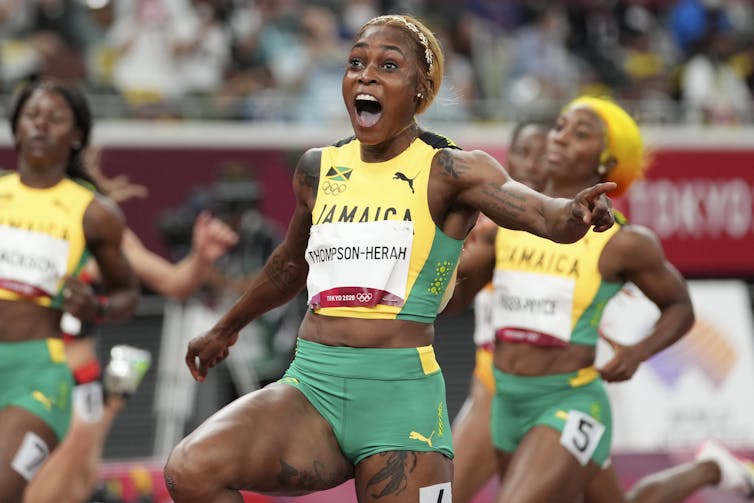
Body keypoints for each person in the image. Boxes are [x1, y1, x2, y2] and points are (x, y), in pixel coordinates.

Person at [163, 14, 617, 503]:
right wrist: (226, 327)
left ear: (421, 90)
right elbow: (289, 266)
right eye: (356, 62)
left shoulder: (451, 169)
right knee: (190, 469)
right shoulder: (319, 169)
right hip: (311, 386)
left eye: (388, 65)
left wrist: (574, 212)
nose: (367, 75)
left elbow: (541, 213)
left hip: (401, 402)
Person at [443, 95, 754, 503]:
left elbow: (680, 307)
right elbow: (450, 302)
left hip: (569, 401)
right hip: (505, 401)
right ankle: (711, 467)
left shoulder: (623, 243)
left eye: (581, 133)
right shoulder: (506, 225)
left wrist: (639, 352)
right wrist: (449, 232)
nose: (560, 138)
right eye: (560, 126)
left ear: (608, 163)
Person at [23, 157, 239, 503]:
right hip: (25, 384)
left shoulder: (100, 229)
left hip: (79, 389)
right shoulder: (14, 229)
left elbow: (174, 282)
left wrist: (201, 257)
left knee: (73, 487)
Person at [0, 78, 140, 503]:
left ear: (77, 135)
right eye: (32, 116)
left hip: (38, 378)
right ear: (16, 126)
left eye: (55, 118)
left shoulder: (94, 212)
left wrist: (95, 305)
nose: (41, 125)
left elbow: (127, 295)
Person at [450, 120, 549, 503]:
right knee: (447, 494)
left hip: (558, 393)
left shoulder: (581, 232)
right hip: (495, 388)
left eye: (544, 155)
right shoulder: (488, 229)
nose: (534, 165)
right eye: (524, 153)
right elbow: (450, 294)